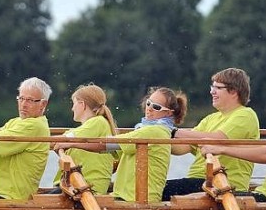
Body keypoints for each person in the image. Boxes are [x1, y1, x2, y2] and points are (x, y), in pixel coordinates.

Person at [56, 87, 187, 203]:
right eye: (148, 103)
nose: (149, 108)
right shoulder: (145, 129)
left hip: (135, 199)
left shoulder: (155, 130)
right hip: (126, 195)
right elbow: (114, 154)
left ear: (169, 113)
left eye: (156, 107)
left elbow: (105, 145)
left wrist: (73, 144)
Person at [162, 68, 259, 201]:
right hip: (199, 181)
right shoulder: (210, 118)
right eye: (212, 87)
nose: (211, 91)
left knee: (158, 190)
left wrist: (173, 131)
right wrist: (156, 137)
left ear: (234, 92)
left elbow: (217, 139)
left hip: (223, 184)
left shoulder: (245, 115)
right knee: (153, 187)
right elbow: (181, 147)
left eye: (218, 88)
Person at [50, 84, 117, 195]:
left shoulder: (97, 122)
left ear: (82, 105)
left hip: (86, 187)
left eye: (74, 103)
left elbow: (61, 140)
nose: (72, 108)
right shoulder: (92, 125)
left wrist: (30, 142)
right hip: (79, 185)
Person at [200, 142, 266, 203]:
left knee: (207, 201)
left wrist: (221, 149)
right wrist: (218, 145)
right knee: (207, 198)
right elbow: (264, 148)